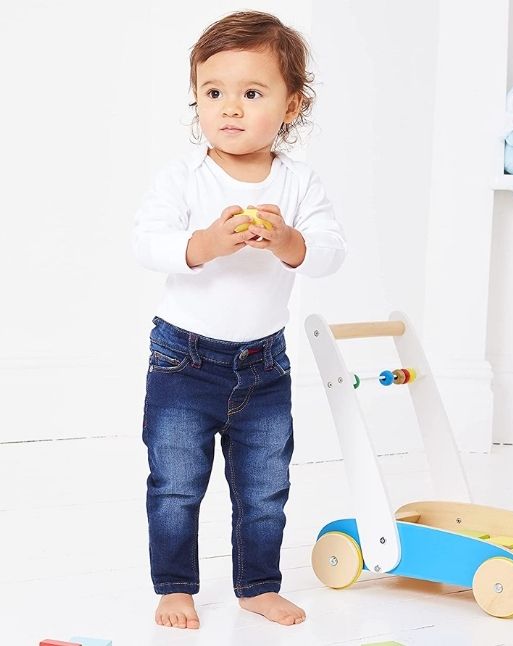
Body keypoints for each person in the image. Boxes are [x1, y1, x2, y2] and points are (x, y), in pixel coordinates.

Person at [131, 10, 346, 630]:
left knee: (265, 486)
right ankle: (176, 587)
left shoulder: (298, 183)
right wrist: (204, 244)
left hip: (263, 363)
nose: (229, 108)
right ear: (196, 98)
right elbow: (147, 242)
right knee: (175, 483)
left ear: (291, 106)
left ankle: (257, 585)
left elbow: (330, 251)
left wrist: (288, 241)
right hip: (183, 358)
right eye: (213, 92)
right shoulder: (184, 178)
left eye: (252, 93)